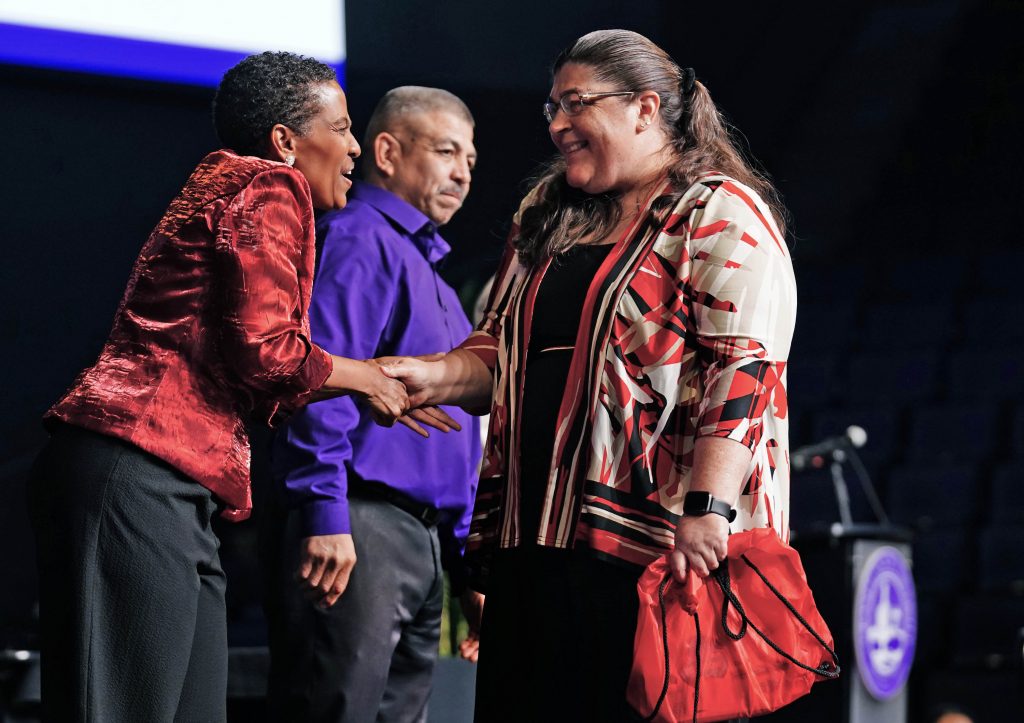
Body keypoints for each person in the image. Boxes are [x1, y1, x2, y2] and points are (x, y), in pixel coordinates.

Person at [379, 29, 797, 722]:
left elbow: (743, 368)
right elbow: (499, 349)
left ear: (644, 107)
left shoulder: (716, 210)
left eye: (576, 103)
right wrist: (430, 376)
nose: (557, 124)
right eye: (553, 106)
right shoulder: (545, 213)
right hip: (531, 536)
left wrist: (707, 512)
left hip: (652, 548)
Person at [25, 52, 429, 722]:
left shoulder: (233, 186)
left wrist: (368, 381)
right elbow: (266, 350)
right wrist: (365, 376)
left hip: (175, 483)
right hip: (135, 466)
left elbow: (253, 364)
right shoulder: (269, 186)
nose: (355, 146)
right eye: (341, 128)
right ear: (285, 140)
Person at [262, 86, 482, 722]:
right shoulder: (359, 237)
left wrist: (465, 563)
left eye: (470, 159)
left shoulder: (431, 274)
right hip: (359, 525)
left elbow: (460, 439)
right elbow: (317, 380)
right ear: (386, 152)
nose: (463, 173)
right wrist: (325, 513)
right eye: (446, 151)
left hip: (421, 540)